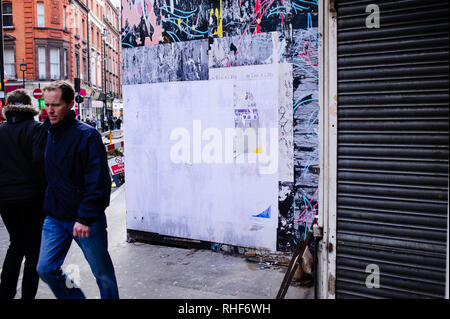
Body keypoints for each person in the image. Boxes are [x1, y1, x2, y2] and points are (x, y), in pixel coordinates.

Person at [36, 81, 119, 299]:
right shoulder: (45, 132)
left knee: (102, 274)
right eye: (47, 104)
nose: (50, 110)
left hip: (85, 219)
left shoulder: (86, 135)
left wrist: (85, 216)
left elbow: (98, 181)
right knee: (45, 268)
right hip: (54, 217)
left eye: (56, 105)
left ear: (71, 104)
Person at [0, 89, 47, 299]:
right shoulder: (37, 129)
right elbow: (40, 162)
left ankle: (6, 293)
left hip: (5, 199)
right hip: (32, 198)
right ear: (30, 105)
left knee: (15, 244)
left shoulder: (1, 131)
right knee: (34, 250)